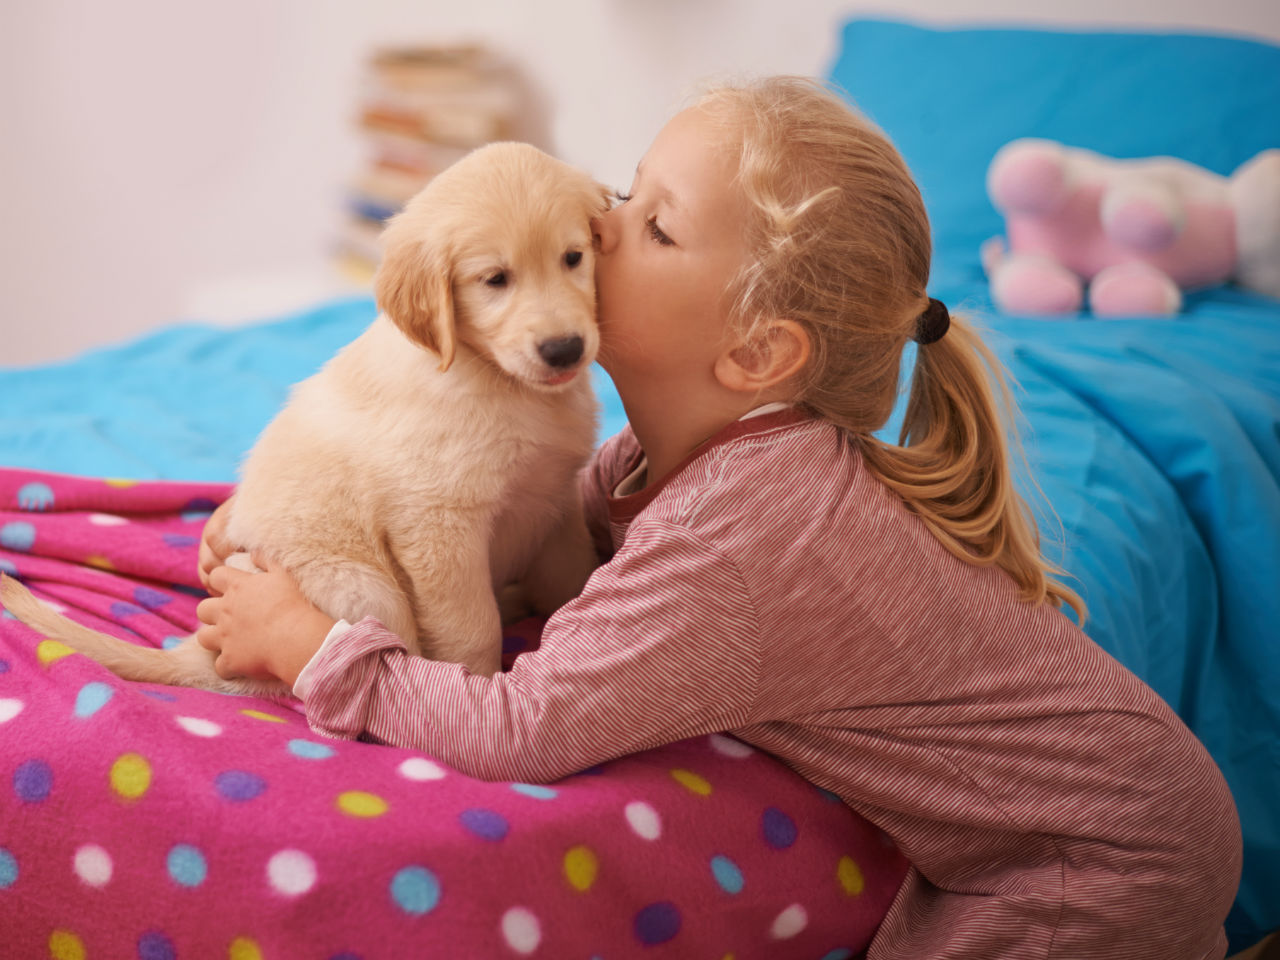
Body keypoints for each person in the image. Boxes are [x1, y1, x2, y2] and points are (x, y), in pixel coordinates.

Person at [194, 77, 1241, 958]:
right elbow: (555, 515)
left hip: (1097, 865)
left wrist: (315, 647)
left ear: (754, 356)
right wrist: (280, 504)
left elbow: (519, 729)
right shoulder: (693, 456)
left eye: (651, 224)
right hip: (1126, 814)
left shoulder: (738, 539)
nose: (596, 223)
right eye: (623, 190)